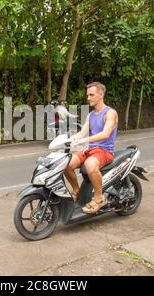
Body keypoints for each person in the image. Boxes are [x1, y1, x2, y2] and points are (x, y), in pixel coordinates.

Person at [64, 82, 118, 214]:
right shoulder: (91, 115)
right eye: (88, 95)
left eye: (91, 95)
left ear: (101, 95)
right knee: (65, 163)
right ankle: (77, 191)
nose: (88, 98)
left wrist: (85, 140)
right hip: (91, 149)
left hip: (104, 150)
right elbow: (82, 133)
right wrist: (69, 139)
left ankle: (99, 198)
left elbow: (105, 133)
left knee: (90, 165)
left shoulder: (110, 113)